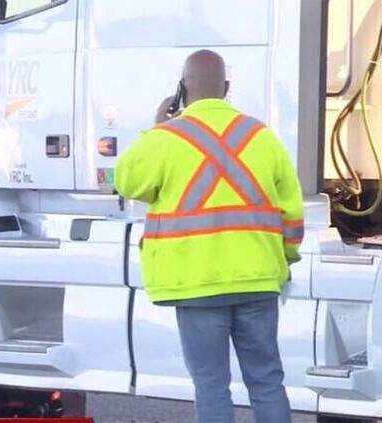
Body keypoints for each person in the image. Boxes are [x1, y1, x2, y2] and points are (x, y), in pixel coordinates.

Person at [114, 50, 303, 423]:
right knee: (267, 381)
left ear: (183, 89)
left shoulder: (165, 138)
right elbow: (291, 213)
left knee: (211, 385)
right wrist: (283, 265)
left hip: (196, 284)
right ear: (227, 88)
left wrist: (155, 127)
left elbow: (128, 182)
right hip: (257, 280)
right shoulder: (262, 136)